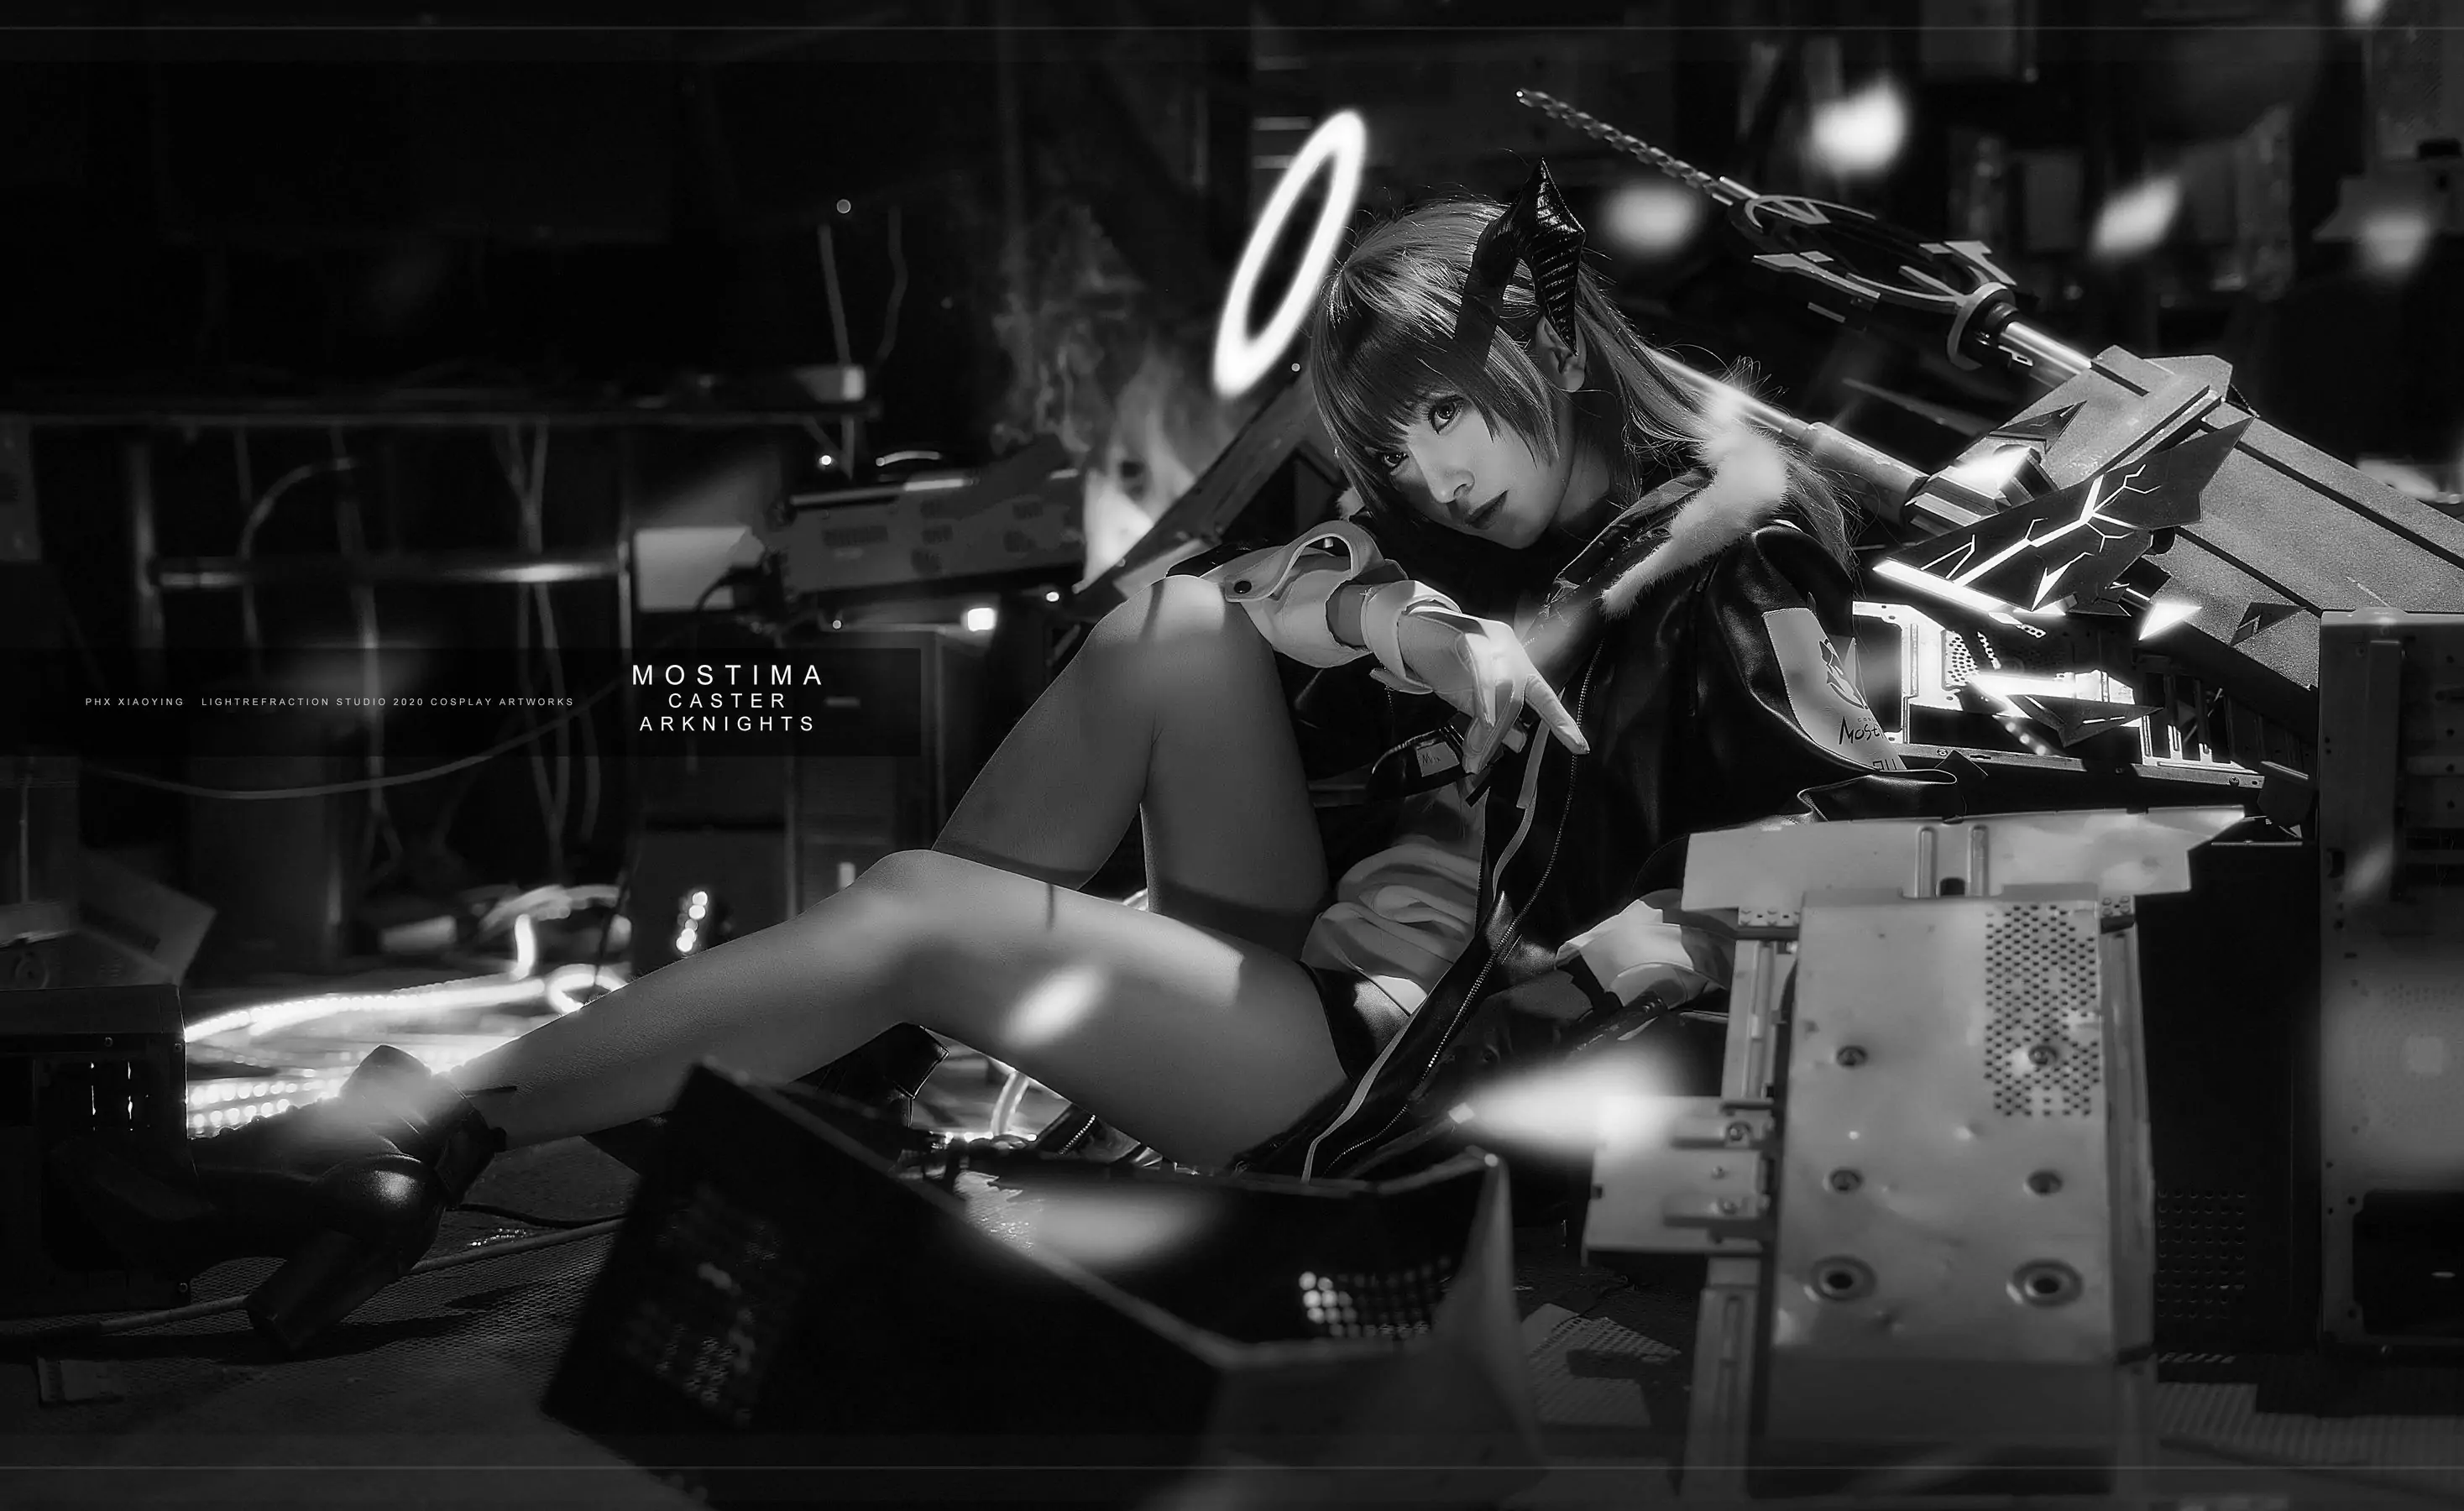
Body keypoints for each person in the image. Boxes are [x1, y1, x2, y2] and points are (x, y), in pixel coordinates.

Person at [51, 165, 1904, 1355]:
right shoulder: (1490, 552)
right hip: (1344, 970)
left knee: (928, 911)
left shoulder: (1723, 560)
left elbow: (1847, 847)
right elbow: (1257, 588)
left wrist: (1615, 959)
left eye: (1439, 412)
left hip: (1415, 1081)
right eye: (1391, 440)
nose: (1425, 469)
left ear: (1553, 352)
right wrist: (1417, 631)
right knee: (1166, 633)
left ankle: (413, 1141)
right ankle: (818, 1054)